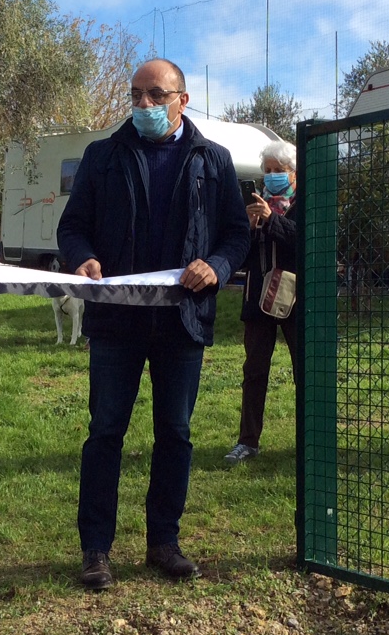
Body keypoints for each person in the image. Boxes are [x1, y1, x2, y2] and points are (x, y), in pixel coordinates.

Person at [57, 58, 251, 589]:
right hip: (118, 321)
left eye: (155, 96)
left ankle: (164, 540)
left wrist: (217, 265)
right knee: (105, 432)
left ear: (181, 100)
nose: (143, 105)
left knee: (176, 433)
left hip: (181, 324)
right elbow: (73, 227)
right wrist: (83, 258)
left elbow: (237, 235)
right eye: (136, 95)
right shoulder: (103, 156)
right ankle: (96, 549)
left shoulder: (214, 160)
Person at [225, 140, 302, 465]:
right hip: (257, 299)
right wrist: (251, 227)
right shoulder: (256, 207)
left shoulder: (305, 203)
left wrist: (271, 221)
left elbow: (302, 242)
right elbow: (240, 258)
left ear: (294, 176)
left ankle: (308, 441)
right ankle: (248, 442)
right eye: (267, 171)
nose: (271, 177)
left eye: (278, 171)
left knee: (305, 371)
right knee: (254, 371)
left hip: (295, 300)